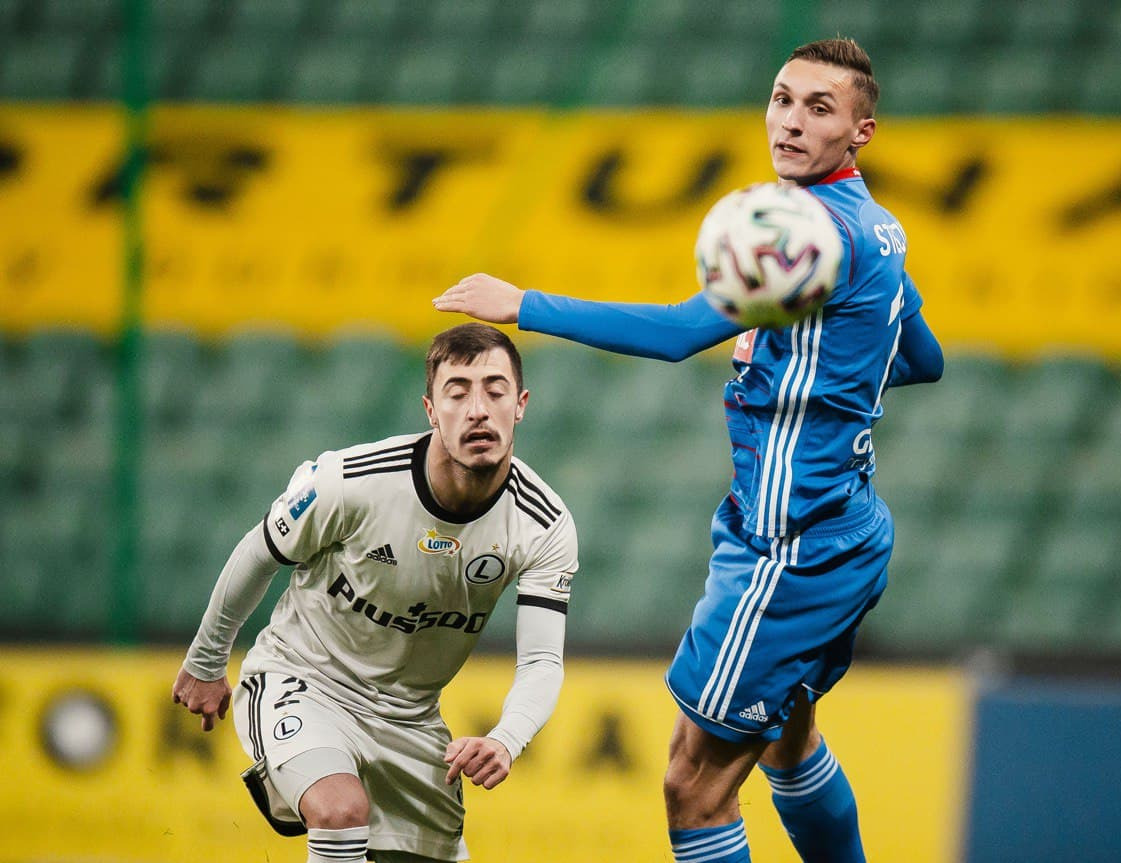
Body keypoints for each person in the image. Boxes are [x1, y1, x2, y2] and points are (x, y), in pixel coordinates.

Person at [433, 37, 943, 863]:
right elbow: (924, 357)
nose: (790, 121)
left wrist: (523, 303)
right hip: (846, 523)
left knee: (693, 786)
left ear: (862, 131)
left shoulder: (812, 234)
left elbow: (678, 334)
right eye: (782, 99)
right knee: (788, 740)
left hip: (790, 548)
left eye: (820, 108)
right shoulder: (879, 227)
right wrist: (828, 368)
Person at [172, 323, 578, 863]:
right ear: (431, 411)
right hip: (306, 679)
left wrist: (507, 738)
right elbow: (259, 551)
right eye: (457, 393)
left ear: (520, 405)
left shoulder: (543, 524)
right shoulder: (351, 481)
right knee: (340, 811)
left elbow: (543, 660)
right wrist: (206, 660)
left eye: (495, 391)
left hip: (411, 720)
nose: (478, 410)